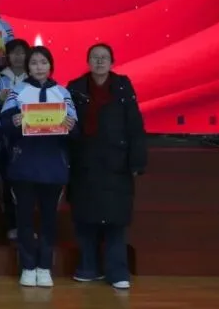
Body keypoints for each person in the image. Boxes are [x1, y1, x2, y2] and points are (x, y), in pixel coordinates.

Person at [67, 43, 146, 290]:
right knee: (85, 218)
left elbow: (134, 125)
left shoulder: (122, 86)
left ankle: (117, 271)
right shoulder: (75, 88)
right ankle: (88, 267)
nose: (99, 61)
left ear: (112, 62)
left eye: (104, 57)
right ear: (88, 61)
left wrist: (137, 160)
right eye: (94, 57)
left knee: (116, 219)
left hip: (116, 162)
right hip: (85, 162)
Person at [0, 46, 78, 288]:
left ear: (51, 66)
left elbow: (76, 130)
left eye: (43, 62)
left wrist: (70, 126)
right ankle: (28, 266)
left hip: (53, 166)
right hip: (24, 165)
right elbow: (4, 124)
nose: (39, 67)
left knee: (48, 219)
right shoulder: (18, 91)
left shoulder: (62, 92)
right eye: (34, 63)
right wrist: (14, 122)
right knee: (24, 218)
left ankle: (44, 267)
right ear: (28, 67)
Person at [0, 38, 30, 241]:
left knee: (25, 184)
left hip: (27, 138)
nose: (18, 57)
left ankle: (24, 225)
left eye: (22, 52)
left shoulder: (33, 79)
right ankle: (11, 224)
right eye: (14, 52)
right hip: (3, 136)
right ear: (7, 56)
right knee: (7, 181)